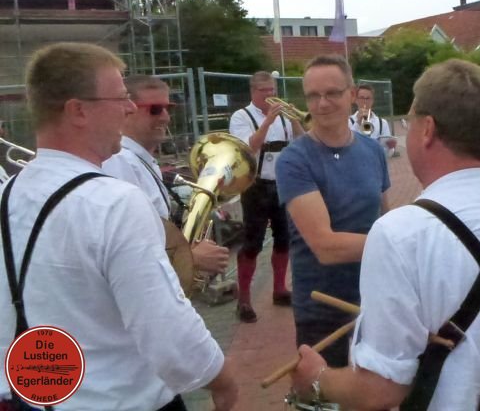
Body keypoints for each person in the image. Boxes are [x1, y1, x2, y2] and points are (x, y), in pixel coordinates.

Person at [290, 59, 480, 410]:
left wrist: (317, 378)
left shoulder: (399, 234)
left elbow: (380, 390)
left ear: (427, 129)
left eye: (410, 120)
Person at [0, 43, 236, 411]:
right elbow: (167, 331)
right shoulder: (115, 201)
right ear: (78, 111)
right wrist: (222, 380)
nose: (128, 108)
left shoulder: (8, 192)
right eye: (120, 98)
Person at [276, 55, 390, 367]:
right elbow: (325, 247)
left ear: (352, 95)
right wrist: (401, 243)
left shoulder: (373, 151)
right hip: (322, 311)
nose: (322, 104)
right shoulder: (294, 160)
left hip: (374, 301)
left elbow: (384, 220)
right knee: (325, 392)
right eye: (313, 96)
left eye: (332, 93)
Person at [103, 75, 229, 276]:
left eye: (168, 108)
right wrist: (191, 258)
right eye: (155, 109)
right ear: (126, 110)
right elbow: (125, 251)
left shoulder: (139, 160)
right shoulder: (120, 163)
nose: (166, 118)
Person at [229, 71, 302, 322]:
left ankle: (279, 289)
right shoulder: (241, 116)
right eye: (264, 91)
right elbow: (249, 147)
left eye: (272, 90)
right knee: (253, 243)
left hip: (282, 184)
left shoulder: (282, 116)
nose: (270, 95)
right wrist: (268, 122)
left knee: (284, 239)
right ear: (253, 91)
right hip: (255, 185)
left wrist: (294, 121)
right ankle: (244, 300)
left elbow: (301, 141)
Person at [349, 83, 398, 156]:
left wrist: (390, 148)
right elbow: (345, 145)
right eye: (362, 98)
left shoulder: (382, 123)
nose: (365, 101)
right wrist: (357, 123)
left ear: (372, 101)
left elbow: (388, 154)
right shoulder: (348, 121)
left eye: (368, 98)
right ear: (356, 100)